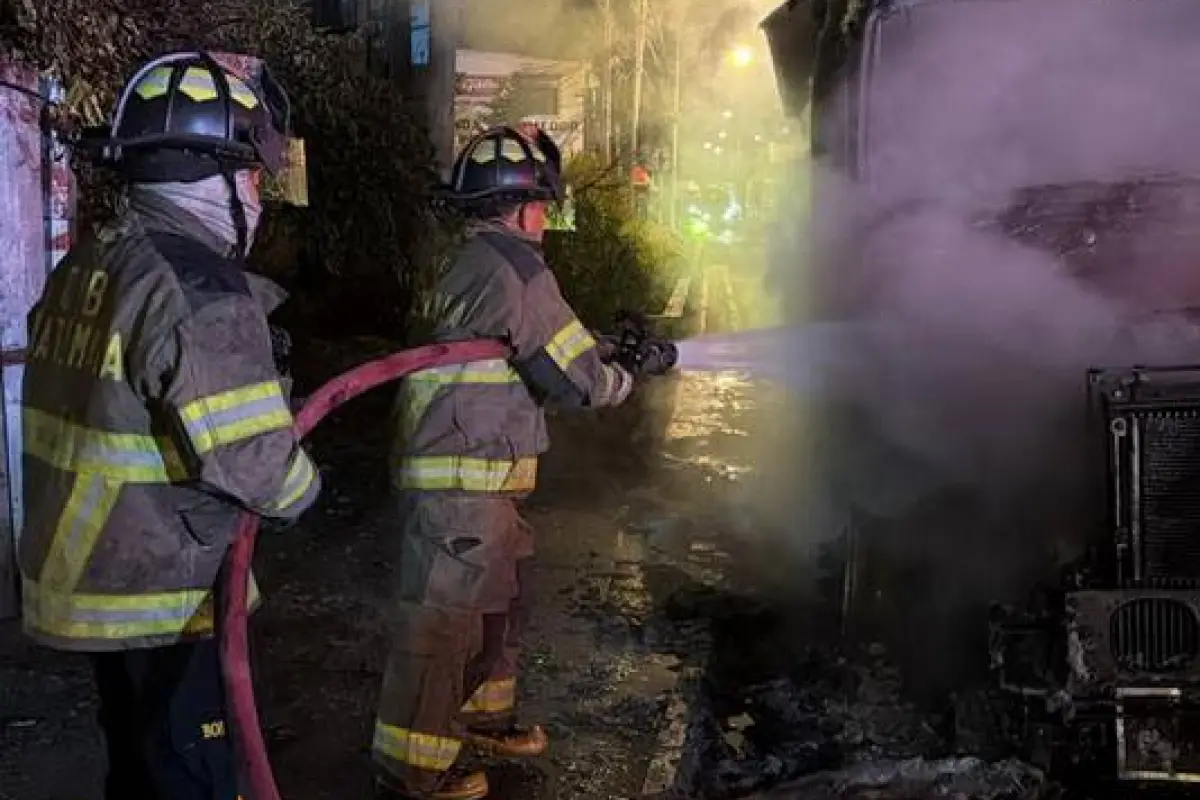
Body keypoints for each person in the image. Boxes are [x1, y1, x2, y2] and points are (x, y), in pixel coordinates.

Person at [18, 51, 320, 800]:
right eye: (249, 171)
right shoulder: (198, 286)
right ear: (212, 175)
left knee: (138, 765)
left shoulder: (94, 263)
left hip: (91, 572)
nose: (257, 189)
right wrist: (309, 487)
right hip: (163, 589)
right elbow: (262, 470)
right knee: (191, 776)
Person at [372, 126, 672, 800]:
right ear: (527, 206)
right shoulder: (519, 269)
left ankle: (483, 715)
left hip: (465, 473)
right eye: (545, 203)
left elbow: (531, 343)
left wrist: (604, 346)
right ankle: (413, 766)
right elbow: (581, 382)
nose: (547, 216)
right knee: (445, 623)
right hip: (466, 479)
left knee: (497, 600)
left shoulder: (470, 263)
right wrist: (629, 373)